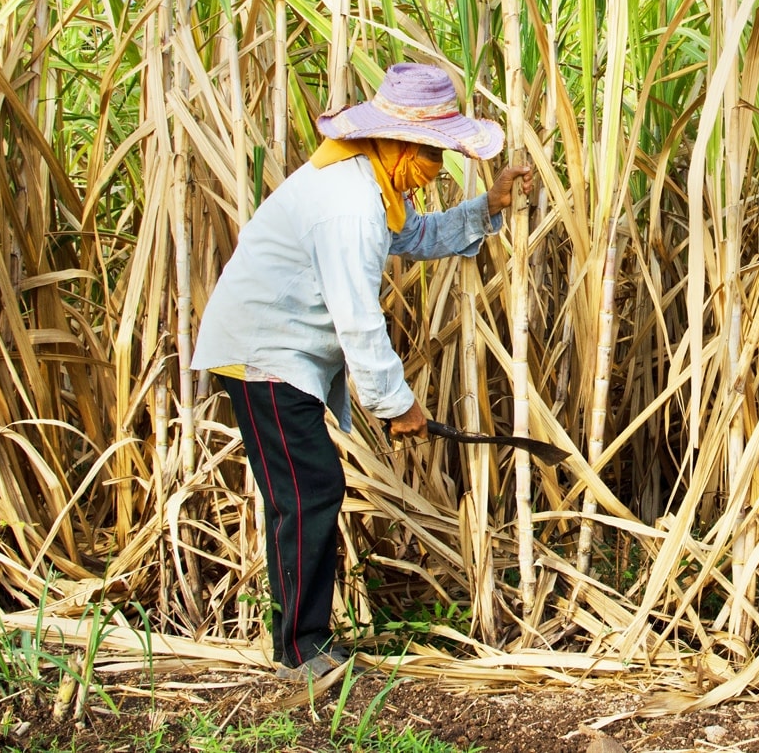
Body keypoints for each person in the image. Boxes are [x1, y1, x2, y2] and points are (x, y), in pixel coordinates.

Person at [191, 63, 532, 680]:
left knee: (304, 489)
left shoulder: (369, 187)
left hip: (280, 355)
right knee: (306, 491)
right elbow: (358, 323)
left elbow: (415, 234)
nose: (437, 169)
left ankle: (304, 642)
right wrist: (397, 404)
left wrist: (487, 207)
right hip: (262, 355)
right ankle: (301, 652)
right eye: (434, 154)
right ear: (398, 143)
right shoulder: (348, 205)